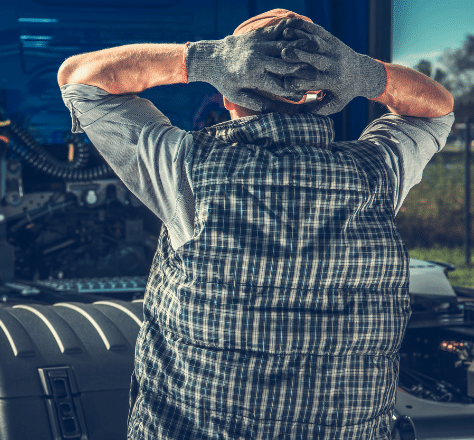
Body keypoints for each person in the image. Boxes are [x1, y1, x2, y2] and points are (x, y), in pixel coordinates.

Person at [57, 8, 453, 439]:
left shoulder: (187, 169)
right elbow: (436, 110)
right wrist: (366, 74)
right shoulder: (378, 173)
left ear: (228, 95)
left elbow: (81, 78)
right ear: (326, 94)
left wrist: (204, 60)